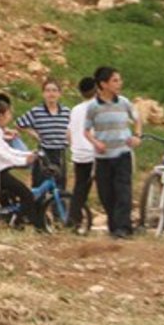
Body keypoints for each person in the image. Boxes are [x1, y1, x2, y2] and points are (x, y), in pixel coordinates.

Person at [84, 66, 142, 239]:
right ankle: (114, 227)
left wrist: (137, 136)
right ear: (103, 84)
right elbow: (86, 131)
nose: (119, 83)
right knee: (106, 194)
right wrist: (96, 142)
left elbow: (137, 119)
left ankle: (123, 228)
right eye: (115, 80)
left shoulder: (124, 102)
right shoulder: (93, 106)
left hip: (123, 154)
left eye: (119, 80)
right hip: (103, 157)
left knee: (123, 191)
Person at [0, 96, 45, 229]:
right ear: (0, 116)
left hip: (1, 169)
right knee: (26, 194)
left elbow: (8, 150)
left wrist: (28, 154)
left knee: (17, 196)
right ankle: (34, 225)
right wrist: (23, 160)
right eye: (8, 113)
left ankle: (17, 222)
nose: (10, 117)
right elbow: (1, 154)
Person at [17, 79, 71, 190]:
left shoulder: (66, 111)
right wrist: (33, 133)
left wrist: (69, 137)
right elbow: (19, 124)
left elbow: (72, 127)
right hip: (44, 153)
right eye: (48, 90)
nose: (51, 94)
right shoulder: (37, 111)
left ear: (59, 94)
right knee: (39, 185)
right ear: (43, 94)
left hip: (60, 153)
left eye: (54, 90)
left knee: (60, 187)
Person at [66, 76, 98, 230]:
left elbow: (69, 133)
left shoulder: (75, 109)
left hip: (78, 153)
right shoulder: (98, 107)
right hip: (94, 153)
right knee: (106, 187)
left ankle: (73, 221)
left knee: (79, 189)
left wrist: (74, 147)